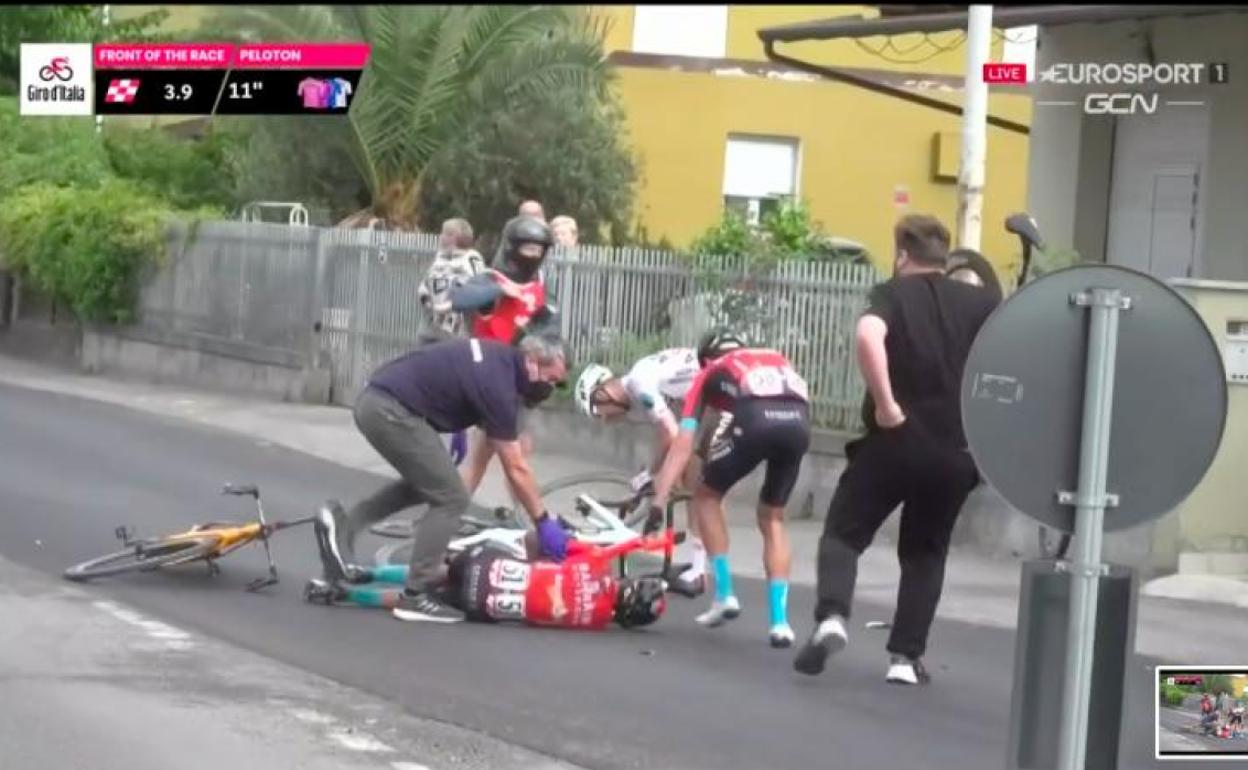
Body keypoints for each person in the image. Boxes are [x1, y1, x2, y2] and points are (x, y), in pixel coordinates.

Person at [793, 214, 999, 686]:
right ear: (944, 258)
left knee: (844, 534)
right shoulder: (982, 304)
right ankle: (905, 660)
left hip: (894, 443)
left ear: (902, 255)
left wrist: (887, 405)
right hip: (955, 451)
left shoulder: (891, 293)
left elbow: (868, 336)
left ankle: (831, 618)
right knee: (925, 555)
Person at [317, 333, 571, 623]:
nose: (549, 389)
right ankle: (416, 595)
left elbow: (445, 359)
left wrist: (457, 421)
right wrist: (543, 521)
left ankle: (344, 527)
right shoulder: (500, 386)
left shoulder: (500, 361)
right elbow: (516, 467)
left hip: (379, 401)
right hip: (390, 411)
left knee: (428, 485)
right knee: (452, 497)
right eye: (550, 380)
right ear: (532, 362)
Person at [648, 329, 812, 648]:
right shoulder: (772, 357)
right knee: (773, 518)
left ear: (706, 359)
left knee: (707, 495)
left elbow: (683, 444)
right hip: (798, 423)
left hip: (755, 418)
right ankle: (780, 622)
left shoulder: (709, 372)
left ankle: (724, 595)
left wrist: (659, 498)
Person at [309, 529, 668, 632]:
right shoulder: (594, 624)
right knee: (411, 600)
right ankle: (347, 594)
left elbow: (543, 539)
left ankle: (364, 572)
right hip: (485, 607)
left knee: (441, 571)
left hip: (487, 567)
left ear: (627, 586)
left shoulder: (595, 566)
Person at [574, 347, 708, 594]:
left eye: (600, 412)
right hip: (711, 389)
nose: (606, 420)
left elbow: (672, 435)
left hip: (720, 387)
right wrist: (655, 473)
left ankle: (700, 572)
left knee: (699, 485)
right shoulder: (642, 379)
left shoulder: (639, 383)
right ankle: (698, 567)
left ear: (602, 393)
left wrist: (653, 476)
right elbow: (667, 436)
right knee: (693, 479)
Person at [451, 216, 560, 497]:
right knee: (497, 456)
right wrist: (499, 290)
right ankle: (453, 513)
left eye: (538, 250)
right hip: (487, 375)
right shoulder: (489, 280)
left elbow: (549, 332)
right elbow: (460, 299)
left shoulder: (539, 290)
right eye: (527, 249)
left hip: (517, 381)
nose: (533, 256)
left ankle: (516, 514)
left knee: (513, 451)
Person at [417, 217, 486, 345]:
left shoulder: (472, 259)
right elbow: (426, 283)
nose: (440, 236)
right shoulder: (439, 257)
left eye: (443, 233)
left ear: (453, 237)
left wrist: (451, 301)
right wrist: (426, 298)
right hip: (429, 329)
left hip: (456, 332)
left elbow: (476, 288)